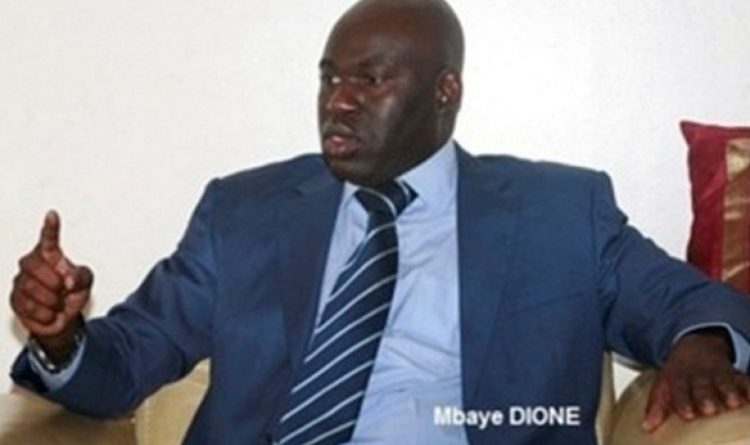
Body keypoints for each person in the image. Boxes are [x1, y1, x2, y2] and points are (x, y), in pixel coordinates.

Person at [8, 0, 750, 444]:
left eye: (370, 79)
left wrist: (700, 347)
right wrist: (62, 339)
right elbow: (129, 361)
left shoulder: (556, 212)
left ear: (444, 91)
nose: (339, 100)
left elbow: (691, 301)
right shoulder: (244, 212)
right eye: (330, 77)